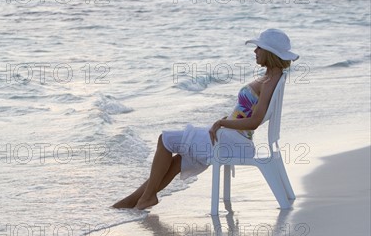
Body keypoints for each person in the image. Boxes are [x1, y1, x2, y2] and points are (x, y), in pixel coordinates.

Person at [113, 29, 299, 210]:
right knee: (178, 160)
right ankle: (132, 202)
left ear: (270, 52)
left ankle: (146, 197)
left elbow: (255, 122)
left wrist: (221, 123)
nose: (255, 51)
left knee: (165, 139)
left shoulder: (269, 81)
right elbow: (248, 113)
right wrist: (226, 120)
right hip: (234, 139)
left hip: (234, 142)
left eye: (259, 47)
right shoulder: (272, 77)